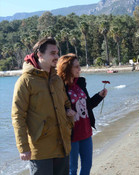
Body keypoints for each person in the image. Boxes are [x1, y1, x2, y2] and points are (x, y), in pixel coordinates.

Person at [11, 37, 76, 175]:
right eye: (52, 53)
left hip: (63, 146)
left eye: (57, 53)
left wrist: (69, 118)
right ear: (39, 54)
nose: (57, 56)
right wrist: (23, 147)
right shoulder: (25, 81)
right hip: (40, 150)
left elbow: (66, 103)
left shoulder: (57, 79)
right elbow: (18, 116)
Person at [57, 53, 107, 175]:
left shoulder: (80, 82)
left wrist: (99, 96)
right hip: (71, 135)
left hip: (86, 132)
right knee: (72, 169)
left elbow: (87, 105)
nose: (80, 69)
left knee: (87, 166)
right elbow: (55, 109)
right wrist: (66, 111)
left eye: (79, 66)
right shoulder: (59, 86)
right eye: (76, 67)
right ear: (67, 68)